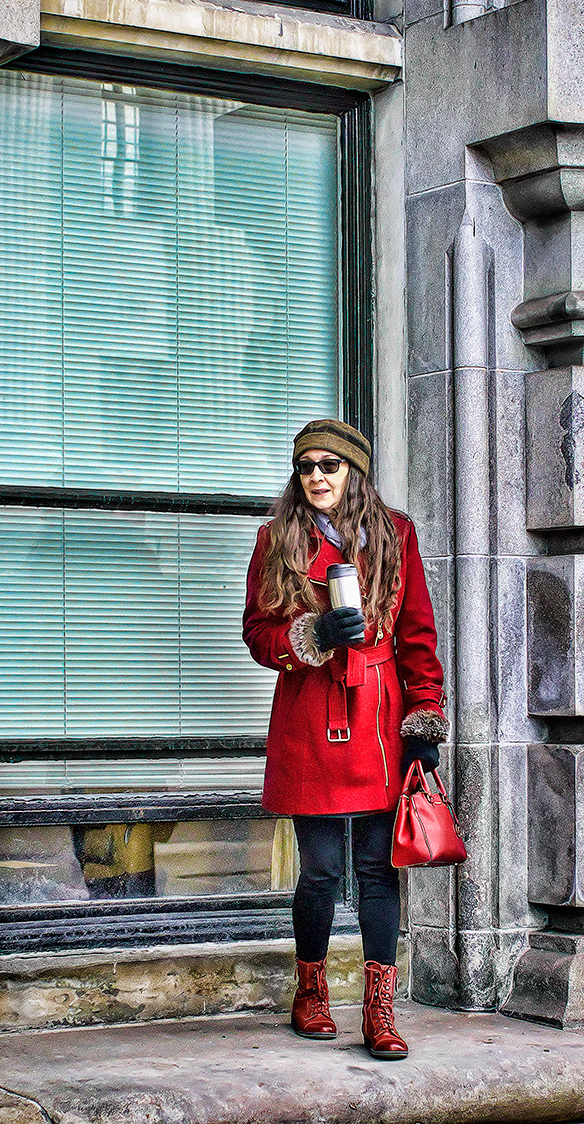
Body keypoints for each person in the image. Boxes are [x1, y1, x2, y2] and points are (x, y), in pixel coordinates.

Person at [242, 419, 448, 1059]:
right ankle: (311, 993)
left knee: (378, 873)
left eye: (330, 466)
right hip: (311, 716)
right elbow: (257, 633)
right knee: (323, 872)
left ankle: (380, 1012)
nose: (317, 477)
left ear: (353, 473)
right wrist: (313, 636)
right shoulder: (278, 540)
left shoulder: (396, 536)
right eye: (307, 467)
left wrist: (424, 724)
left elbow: (417, 638)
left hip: (381, 722)